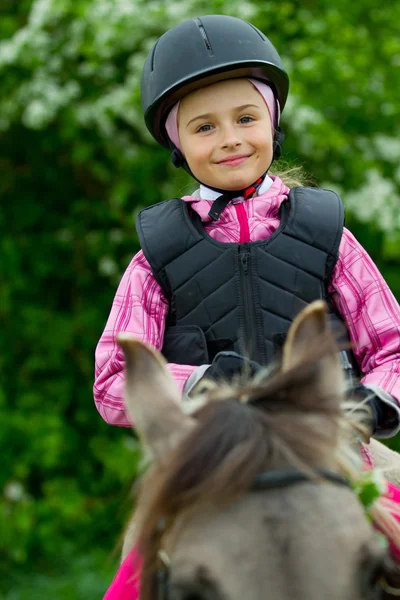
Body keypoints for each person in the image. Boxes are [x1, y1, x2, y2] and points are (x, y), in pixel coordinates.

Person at [95, 17, 400, 597]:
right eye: (204, 127)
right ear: (177, 143)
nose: (230, 138)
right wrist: (198, 382)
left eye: (245, 118)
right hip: (211, 468)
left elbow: (392, 344)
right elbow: (112, 377)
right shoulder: (154, 257)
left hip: (334, 453)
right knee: (133, 581)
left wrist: (377, 399)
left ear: (272, 123)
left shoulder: (325, 233)